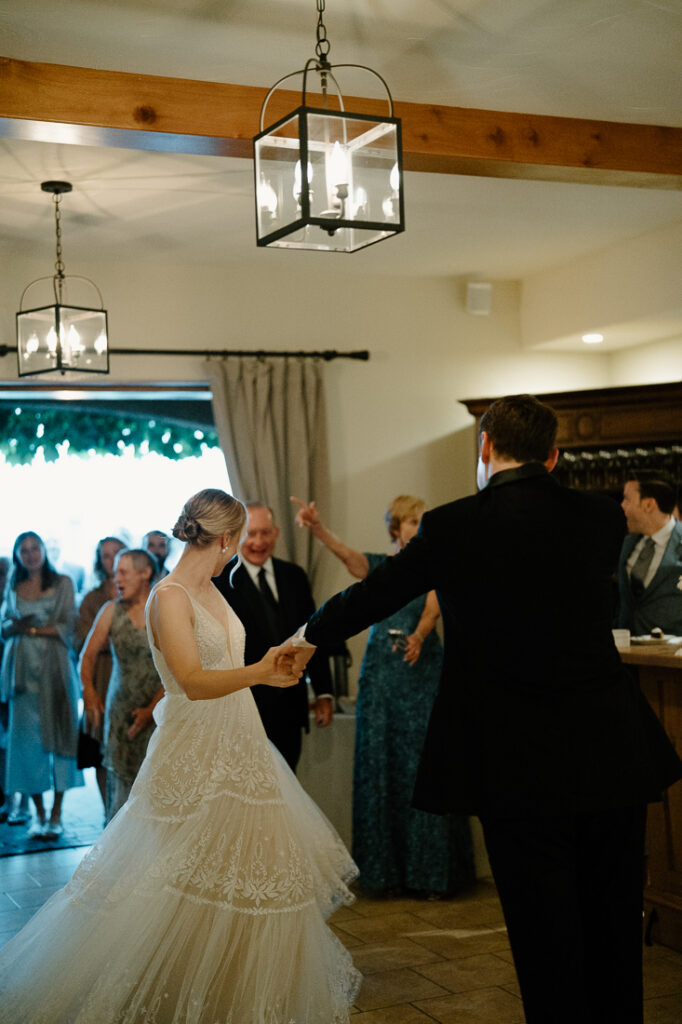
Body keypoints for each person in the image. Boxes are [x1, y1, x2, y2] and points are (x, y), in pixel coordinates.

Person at [285, 395, 682, 1024]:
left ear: (485, 447)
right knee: (612, 919)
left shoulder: (453, 525)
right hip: (608, 746)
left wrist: (306, 638)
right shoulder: (600, 518)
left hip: (513, 754)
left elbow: (375, 593)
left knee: (543, 928)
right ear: (553, 456)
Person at [0, 488, 360, 1023]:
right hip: (194, 752)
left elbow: (226, 666)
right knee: (173, 880)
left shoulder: (216, 590)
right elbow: (190, 680)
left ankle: (232, 996)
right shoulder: (168, 596)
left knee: (246, 875)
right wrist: (260, 672)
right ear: (225, 538)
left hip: (241, 746)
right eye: (237, 540)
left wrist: (273, 670)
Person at [292, 494, 475, 897]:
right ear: (397, 527)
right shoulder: (381, 566)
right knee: (381, 764)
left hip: (421, 671)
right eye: (412, 522)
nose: (418, 527)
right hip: (381, 676)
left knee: (422, 764)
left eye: (421, 521)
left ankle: (431, 876)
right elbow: (349, 558)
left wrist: (421, 635)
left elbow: (433, 605)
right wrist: (317, 529)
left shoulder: (436, 563)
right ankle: (383, 874)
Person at [213, 501, 334, 772]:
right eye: (251, 533)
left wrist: (325, 692)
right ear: (236, 536)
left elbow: (313, 633)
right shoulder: (220, 582)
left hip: (291, 708)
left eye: (265, 533)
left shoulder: (295, 576)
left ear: (277, 533)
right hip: (244, 710)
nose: (258, 542)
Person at [0, 532, 83, 839]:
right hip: (21, 674)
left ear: (45, 550)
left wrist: (30, 627)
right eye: (24, 550)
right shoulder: (13, 585)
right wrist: (14, 626)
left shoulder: (62, 583)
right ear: (18, 554)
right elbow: (4, 628)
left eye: (36, 548)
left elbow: (67, 625)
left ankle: (58, 812)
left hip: (54, 669)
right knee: (26, 745)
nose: (31, 554)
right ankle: (38, 813)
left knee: (61, 738)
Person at [80, 548, 163, 822]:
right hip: (121, 715)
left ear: (145, 573)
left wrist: (152, 709)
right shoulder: (110, 610)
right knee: (121, 797)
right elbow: (87, 657)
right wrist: (90, 693)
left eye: (123, 572)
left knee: (156, 790)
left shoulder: (162, 610)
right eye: (115, 572)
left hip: (161, 713)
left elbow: (176, 670)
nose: (116, 578)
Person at [73, 535, 126, 810]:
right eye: (106, 555)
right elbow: (80, 639)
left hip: (135, 679)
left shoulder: (147, 593)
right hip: (102, 677)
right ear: (99, 560)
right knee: (100, 749)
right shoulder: (92, 598)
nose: (112, 560)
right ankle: (108, 811)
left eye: (117, 553)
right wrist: (110, 639)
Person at [617, 473, 682, 636]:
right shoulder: (626, 543)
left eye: (627, 499)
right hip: (625, 653)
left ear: (648, 504)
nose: (622, 506)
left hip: (671, 656)